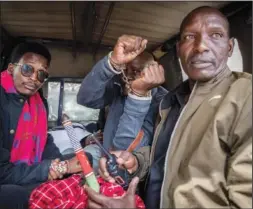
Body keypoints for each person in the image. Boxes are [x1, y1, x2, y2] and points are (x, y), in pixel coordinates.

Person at [84, 6, 252, 209]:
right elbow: (166, 156)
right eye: (190, 37)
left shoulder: (245, 96)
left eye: (216, 35)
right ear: (179, 48)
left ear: (230, 47)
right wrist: (137, 162)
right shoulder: (173, 101)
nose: (200, 46)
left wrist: (139, 96)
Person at [0, 42, 92, 208]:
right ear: (11, 69)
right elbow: (2, 172)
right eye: (27, 69)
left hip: (27, 169)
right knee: (15, 196)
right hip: (7, 178)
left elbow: (44, 138)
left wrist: (60, 162)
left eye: (41, 74)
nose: (35, 79)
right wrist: (56, 167)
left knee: (86, 159)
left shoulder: (39, 103)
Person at [77, 41, 167, 172]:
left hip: (128, 173)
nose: (127, 77)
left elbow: (124, 150)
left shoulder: (162, 102)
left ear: (152, 72)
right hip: (106, 162)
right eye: (124, 70)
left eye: (136, 71)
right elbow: (85, 99)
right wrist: (110, 64)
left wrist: (138, 96)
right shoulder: (119, 89)